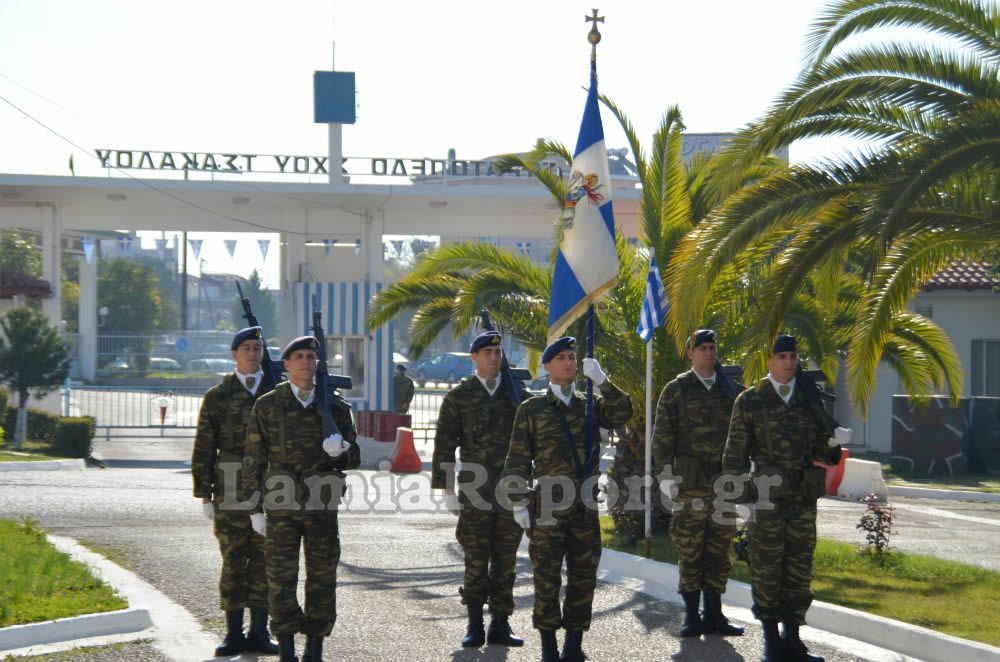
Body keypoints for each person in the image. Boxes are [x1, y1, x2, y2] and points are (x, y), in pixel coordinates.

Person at [502, 337, 633, 662]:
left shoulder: (589, 404)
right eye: (561, 357)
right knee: (546, 578)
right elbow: (518, 458)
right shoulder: (532, 409)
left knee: (583, 576)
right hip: (548, 507)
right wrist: (518, 501)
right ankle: (549, 647)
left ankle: (574, 645)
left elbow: (623, 413)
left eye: (572, 357)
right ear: (547, 366)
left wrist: (602, 381)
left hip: (585, 508)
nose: (569, 363)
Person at [722, 334, 847, 662]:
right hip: (768, 502)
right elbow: (734, 457)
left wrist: (833, 445)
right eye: (782, 357)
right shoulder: (750, 401)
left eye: (793, 356)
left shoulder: (809, 399)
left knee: (799, 569)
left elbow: (825, 451)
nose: (789, 362)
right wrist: (745, 493)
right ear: (768, 360)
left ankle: (793, 639)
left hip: (802, 501)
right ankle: (771, 642)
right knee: (766, 569)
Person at [242, 336, 360, 662]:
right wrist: (254, 509)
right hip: (281, 506)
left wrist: (341, 452)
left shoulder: (335, 407)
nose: (306, 361)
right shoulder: (268, 405)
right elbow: (253, 461)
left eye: (311, 356)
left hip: (322, 507)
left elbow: (354, 458)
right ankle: (286, 650)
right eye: (299, 357)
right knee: (280, 578)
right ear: (287, 365)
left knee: (322, 578)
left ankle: (315, 647)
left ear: (318, 364)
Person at [432, 331, 524, 649]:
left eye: (498, 352)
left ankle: (500, 622)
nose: (494, 357)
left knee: (506, 558)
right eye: (487, 352)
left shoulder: (515, 395)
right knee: (476, 557)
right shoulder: (459, 397)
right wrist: (446, 490)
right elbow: (444, 445)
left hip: (510, 489)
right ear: (474, 357)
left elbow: (530, 443)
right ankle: (474, 624)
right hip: (475, 490)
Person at [191, 325, 279, 656]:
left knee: (264, 562)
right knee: (233, 561)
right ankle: (232, 633)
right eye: (247, 348)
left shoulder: (276, 393)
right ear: (234, 355)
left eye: (258, 348)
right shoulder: (218, 396)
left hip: (271, 490)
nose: (253, 353)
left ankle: (259, 631)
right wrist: (204, 494)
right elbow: (204, 446)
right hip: (229, 491)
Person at [652, 329, 744, 638]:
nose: (708, 353)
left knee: (718, 549)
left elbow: (743, 433)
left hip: (723, 485)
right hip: (689, 484)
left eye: (712, 347)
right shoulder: (676, 390)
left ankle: (715, 614)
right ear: (691, 353)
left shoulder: (730, 390)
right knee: (690, 549)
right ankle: (692, 615)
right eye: (702, 348)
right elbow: (662, 436)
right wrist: (664, 476)